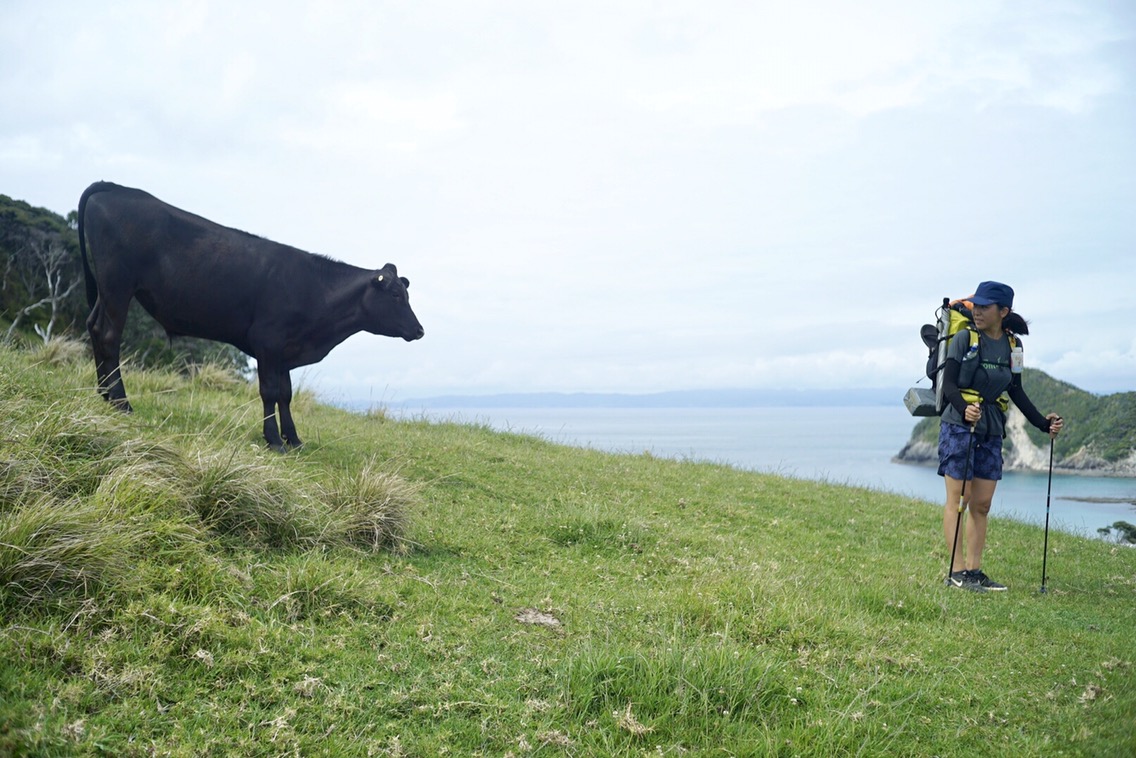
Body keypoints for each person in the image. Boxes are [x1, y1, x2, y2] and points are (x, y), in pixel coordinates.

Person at [938, 281, 1063, 592]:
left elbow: (1016, 390)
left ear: (1003, 311)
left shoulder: (1013, 346)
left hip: (992, 427)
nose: (977, 311)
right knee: (959, 500)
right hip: (958, 424)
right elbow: (949, 384)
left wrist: (1042, 424)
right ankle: (956, 572)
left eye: (984, 307)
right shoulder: (965, 337)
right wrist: (964, 408)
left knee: (981, 504)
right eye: (975, 305)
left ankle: (975, 571)